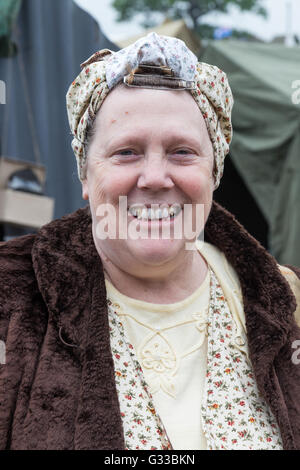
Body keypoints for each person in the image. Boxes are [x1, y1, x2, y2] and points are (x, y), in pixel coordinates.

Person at [0, 32, 300, 451]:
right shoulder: (12, 302)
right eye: (126, 152)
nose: (156, 178)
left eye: (182, 152)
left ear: (214, 173)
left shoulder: (287, 301)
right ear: (86, 174)